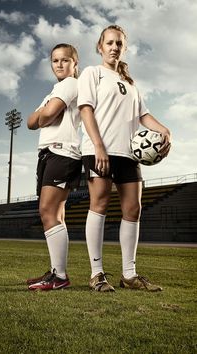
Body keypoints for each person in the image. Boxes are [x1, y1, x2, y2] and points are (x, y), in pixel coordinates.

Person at [77, 25, 171, 292]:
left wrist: (163, 129)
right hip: (99, 150)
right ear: (100, 46)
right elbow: (86, 111)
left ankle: (129, 275)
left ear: (124, 48)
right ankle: (97, 274)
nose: (114, 47)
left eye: (119, 43)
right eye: (109, 43)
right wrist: (98, 147)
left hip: (128, 153)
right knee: (100, 204)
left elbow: (143, 116)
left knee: (133, 209)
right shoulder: (92, 74)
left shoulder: (131, 84)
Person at [27, 43, 82, 291]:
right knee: (56, 215)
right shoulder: (55, 89)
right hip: (49, 153)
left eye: (64, 60)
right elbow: (30, 122)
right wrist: (45, 112)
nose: (59, 64)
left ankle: (59, 277)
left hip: (63, 152)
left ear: (74, 63)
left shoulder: (70, 84)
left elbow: (45, 117)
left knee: (47, 210)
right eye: (55, 60)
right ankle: (56, 271)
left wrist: (44, 114)